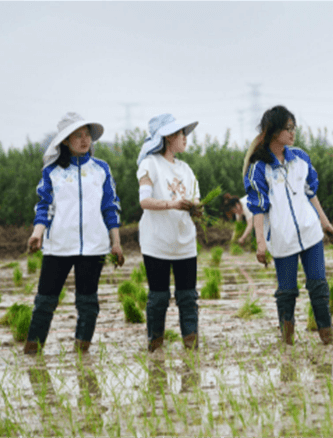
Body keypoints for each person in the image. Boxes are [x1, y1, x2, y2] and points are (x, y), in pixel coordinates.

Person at [25, 112, 124, 355]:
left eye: (87, 135)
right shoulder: (52, 172)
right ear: (65, 142)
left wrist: (117, 243)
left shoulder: (101, 169)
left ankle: (82, 355)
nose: (84, 140)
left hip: (94, 248)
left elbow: (110, 208)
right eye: (77, 136)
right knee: (45, 302)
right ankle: (32, 353)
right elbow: (44, 208)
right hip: (58, 247)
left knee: (88, 303)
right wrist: (37, 234)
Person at [242, 105, 333, 345]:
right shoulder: (259, 168)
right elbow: (258, 208)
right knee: (287, 292)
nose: (293, 133)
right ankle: (287, 342)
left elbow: (310, 193)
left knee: (318, 286)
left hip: (311, 232)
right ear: (274, 131)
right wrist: (261, 245)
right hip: (283, 239)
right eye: (288, 128)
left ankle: (327, 338)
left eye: (294, 128)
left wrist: (326, 224)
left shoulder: (301, 158)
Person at [137, 113, 202, 352]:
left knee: (188, 296)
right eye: (181, 133)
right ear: (168, 137)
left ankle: (191, 344)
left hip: (185, 243)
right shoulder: (150, 164)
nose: (185, 138)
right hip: (157, 242)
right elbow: (144, 201)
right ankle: (155, 345)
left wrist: (196, 209)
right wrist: (173, 204)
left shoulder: (186, 169)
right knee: (159, 297)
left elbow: (196, 201)